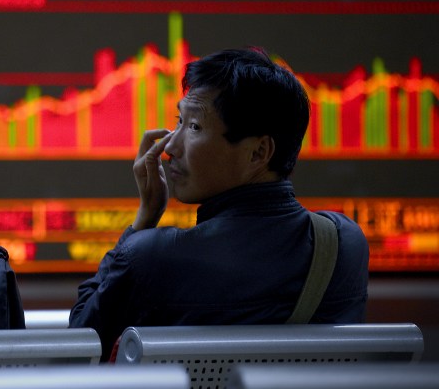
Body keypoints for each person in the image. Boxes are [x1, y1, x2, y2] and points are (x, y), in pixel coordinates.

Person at [69, 47, 370, 361]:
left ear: (258, 153)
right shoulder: (343, 245)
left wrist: (144, 219)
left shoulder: (152, 259)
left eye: (195, 127)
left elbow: (82, 340)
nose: (170, 145)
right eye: (178, 121)